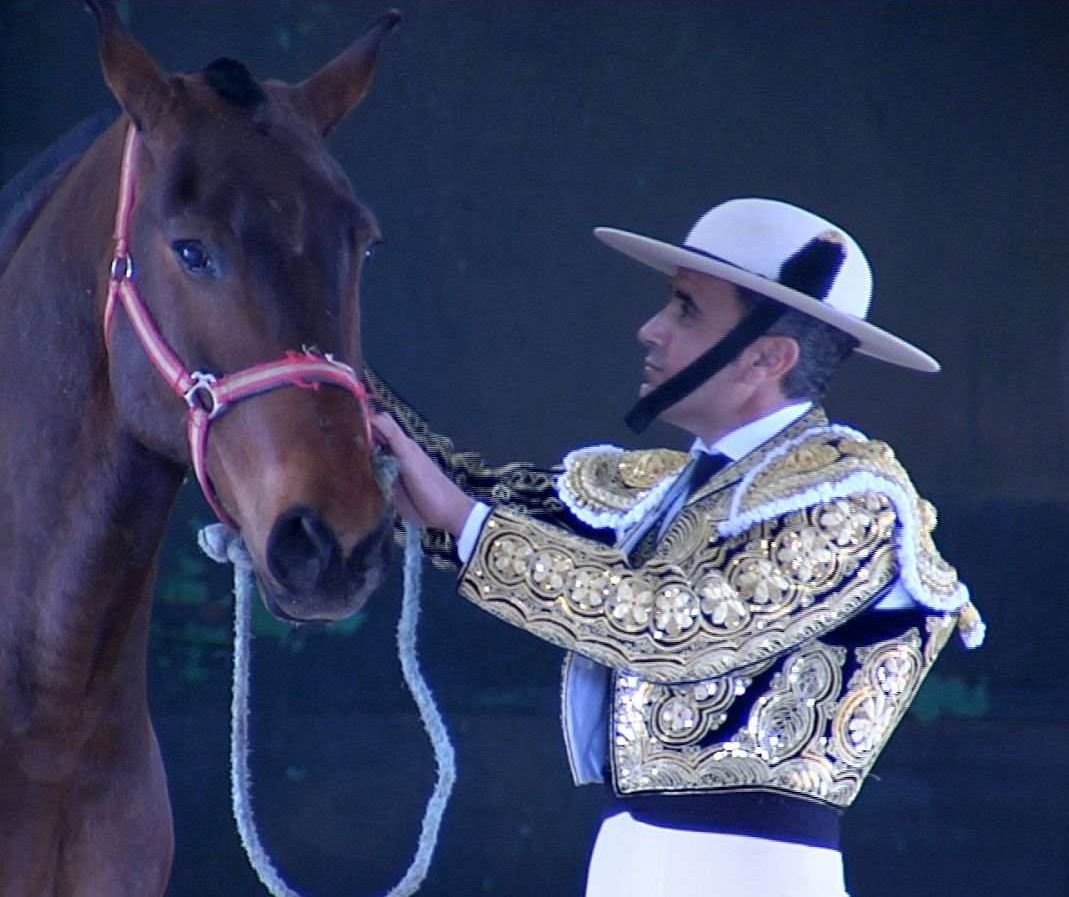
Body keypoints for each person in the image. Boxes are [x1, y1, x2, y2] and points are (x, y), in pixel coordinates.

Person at [368, 197, 984, 897]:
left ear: (766, 357)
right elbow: (462, 493)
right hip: (634, 862)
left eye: (686, 310)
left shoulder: (855, 497)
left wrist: (464, 521)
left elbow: (677, 629)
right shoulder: (669, 488)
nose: (650, 330)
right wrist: (313, 378)